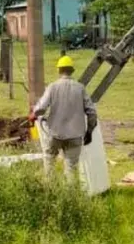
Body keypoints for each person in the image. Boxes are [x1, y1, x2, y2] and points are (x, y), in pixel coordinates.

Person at [30, 55, 98, 184]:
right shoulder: (80, 88)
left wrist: (33, 114)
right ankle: (70, 198)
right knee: (71, 168)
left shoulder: (52, 87)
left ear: (59, 70)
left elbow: (41, 108)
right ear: (72, 71)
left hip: (55, 134)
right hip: (75, 135)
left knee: (49, 161)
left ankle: (50, 192)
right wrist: (89, 132)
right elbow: (92, 113)